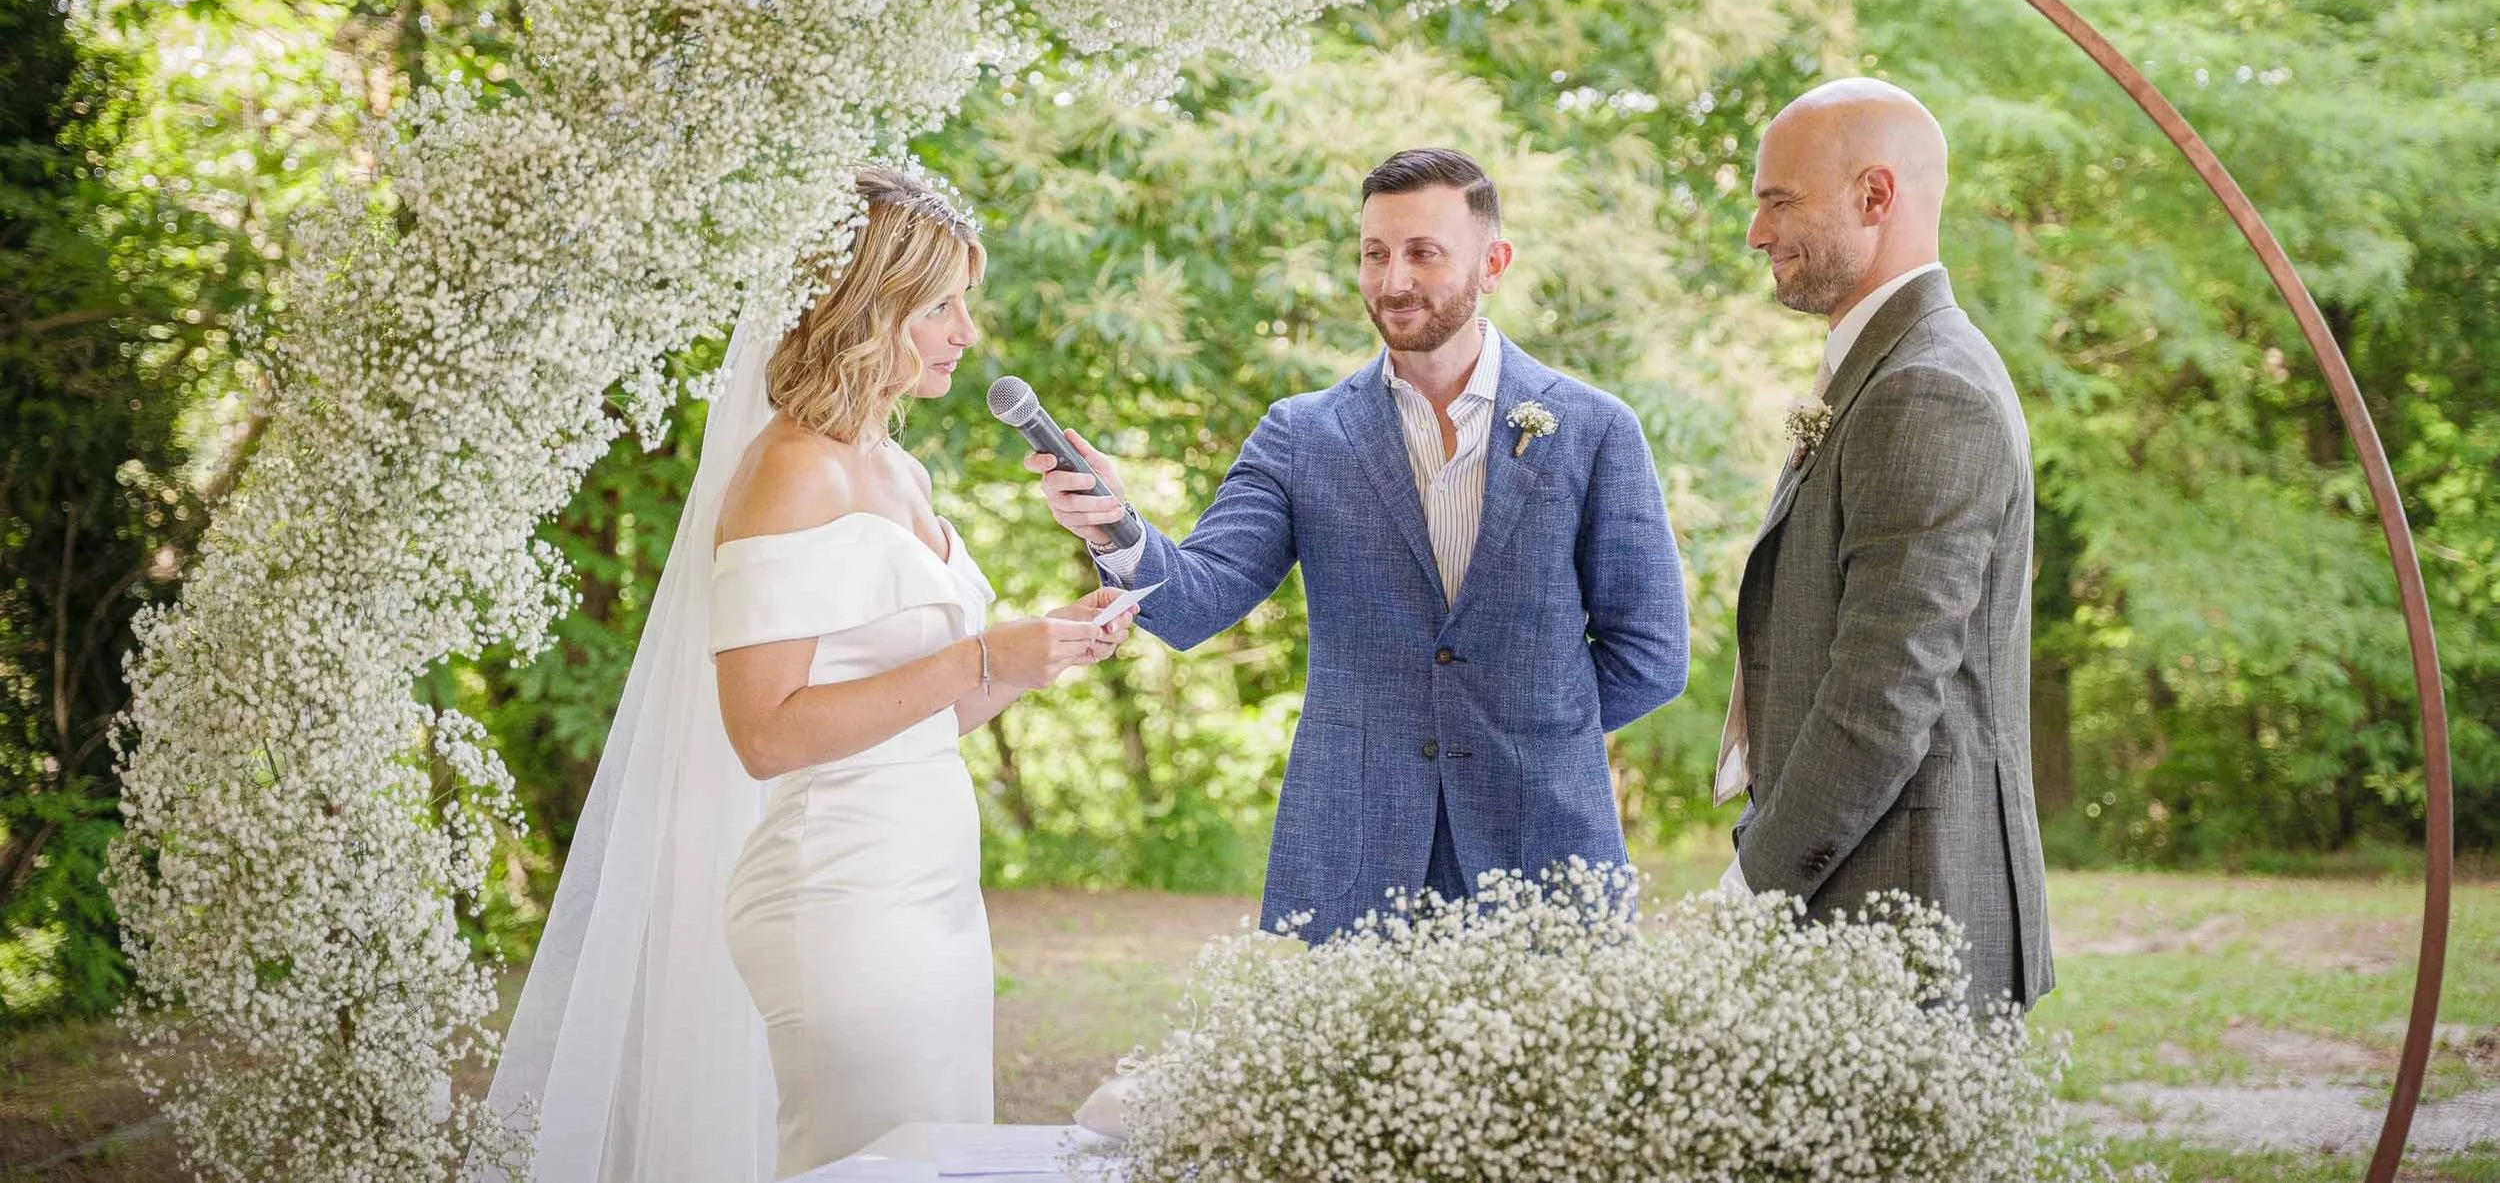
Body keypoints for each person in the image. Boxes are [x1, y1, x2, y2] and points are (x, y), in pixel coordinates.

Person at [488, 165, 1135, 1182]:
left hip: (929, 892)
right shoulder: (792, 468)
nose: (966, 331)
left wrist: (1029, 657)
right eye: (939, 305)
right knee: (867, 1163)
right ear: (867, 308)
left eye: (966, 301)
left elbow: (924, 712)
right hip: (837, 894)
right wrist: (978, 651)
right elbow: (767, 733)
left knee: (931, 1157)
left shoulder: (900, 468)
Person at [1028, 147, 1689, 943]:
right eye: (1374, 254)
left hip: (1545, 850)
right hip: (1353, 858)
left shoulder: (1595, 428)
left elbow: (1651, 654)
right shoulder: (1302, 435)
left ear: (1494, 263)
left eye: (1423, 253)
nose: (1393, 280)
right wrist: (1116, 524)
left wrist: (1520, 728)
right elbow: (1197, 602)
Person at [1718, 77, 2055, 1011]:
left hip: (1910, 913)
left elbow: (1883, 693)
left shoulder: (1926, 389)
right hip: (1874, 901)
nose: (1756, 232)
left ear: (1875, 197)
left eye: (1778, 200)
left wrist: (1753, 888)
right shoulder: (1885, 369)